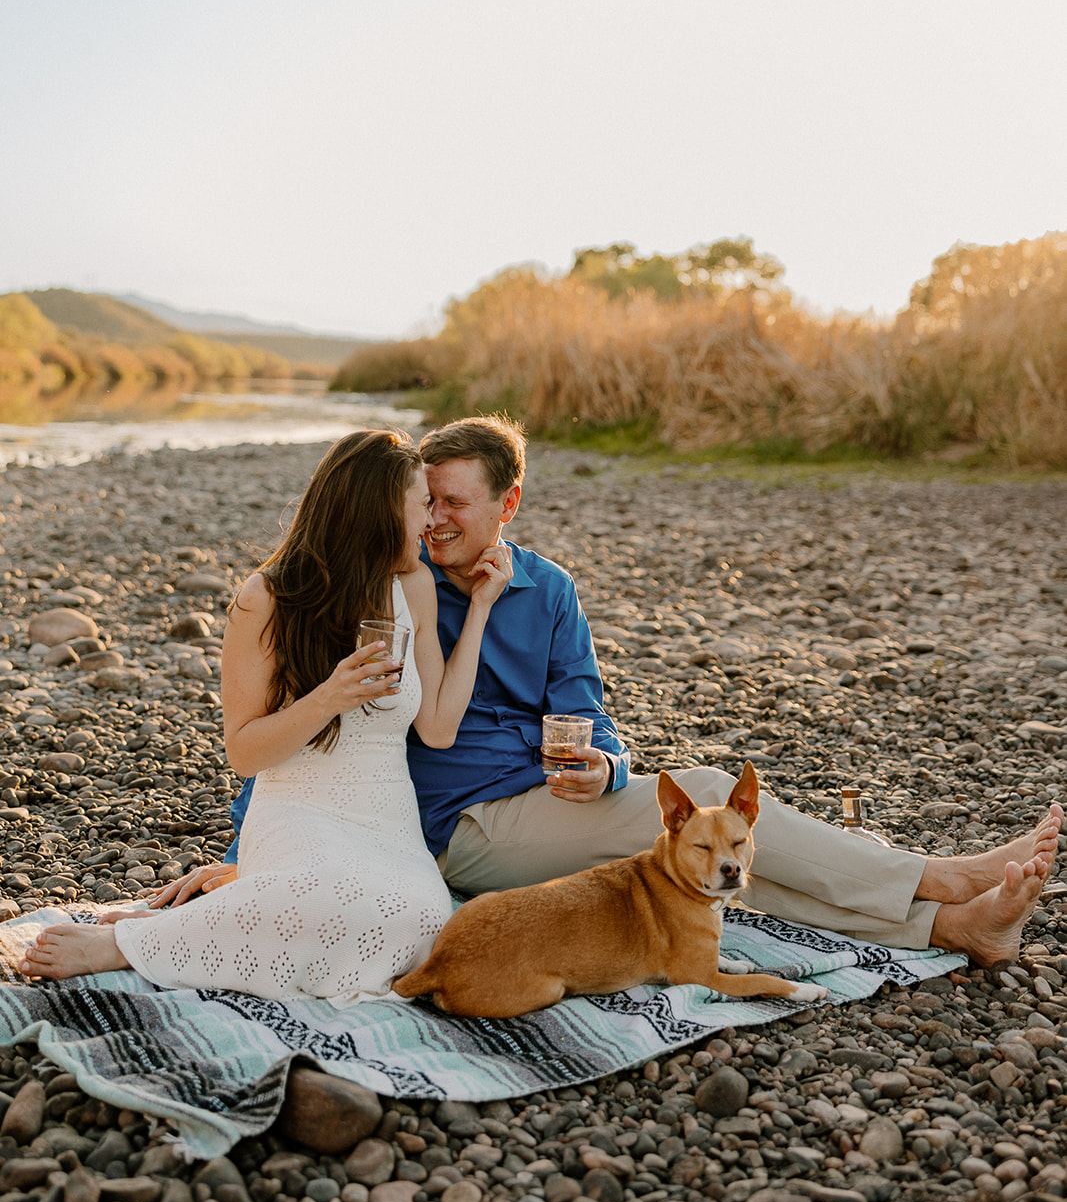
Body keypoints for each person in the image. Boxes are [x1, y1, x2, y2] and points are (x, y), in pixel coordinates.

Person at [144, 416, 1060, 970]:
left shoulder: (546, 590)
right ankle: (935, 877)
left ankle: (945, 926)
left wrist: (605, 764)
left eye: (455, 504)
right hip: (453, 822)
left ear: (507, 506)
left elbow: (591, 710)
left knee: (705, 860)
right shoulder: (392, 585)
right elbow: (312, 738)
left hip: (550, 800)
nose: (434, 521)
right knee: (702, 799)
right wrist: (249, 856)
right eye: (424, 501)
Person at [19, 429, 512, 999]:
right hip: (299, 808)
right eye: (422, 503)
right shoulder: (267, 597)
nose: (430, 521)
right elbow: (245, 750)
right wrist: (329, 696)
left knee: (420, 921)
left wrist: (479, 611)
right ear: (376, 511)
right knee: (324, 898)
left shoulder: (414, 585)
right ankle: (128, 946)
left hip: (386, 817)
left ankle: (182, 926)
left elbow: (438, 728)